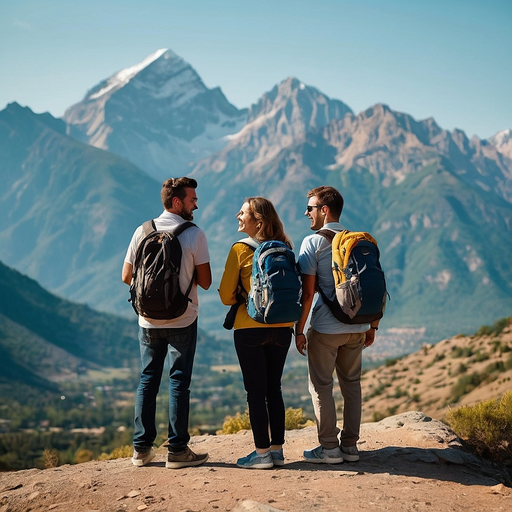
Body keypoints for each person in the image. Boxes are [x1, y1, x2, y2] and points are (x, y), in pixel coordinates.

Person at [122, 177, 212, 469]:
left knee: (147, 381)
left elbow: (126, 276)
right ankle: (177, 450)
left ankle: (141, 450)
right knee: (178, 383)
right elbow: (207, 282)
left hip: (147, 320)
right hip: (182, 318)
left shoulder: (142, 230)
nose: (196, 204)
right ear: (177, 202)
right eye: (192, 200)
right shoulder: (194, 234)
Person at [295, 186, 379, 464]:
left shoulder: (313, 242)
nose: (306, 212)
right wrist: (372, 326)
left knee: (321, 386)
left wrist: (298, 329)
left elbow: (308, 294)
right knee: (352, 385)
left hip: (326, 328)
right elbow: (373, 286)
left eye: (310, 207)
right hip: (358, 326)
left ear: (324, 210)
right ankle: (351, 447)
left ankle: (329, 448)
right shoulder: (357, 240)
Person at [218, 197, 294, 469]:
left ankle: (260, 454)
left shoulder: (239, 249)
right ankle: (277, 452)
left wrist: (242, 293)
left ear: (258, 221)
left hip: (249, 327)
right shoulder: (285, 247)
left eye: (243, 212)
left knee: (255, 393)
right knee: (275, 389)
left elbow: (226, 296)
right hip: (283, 327)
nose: (238, 215)